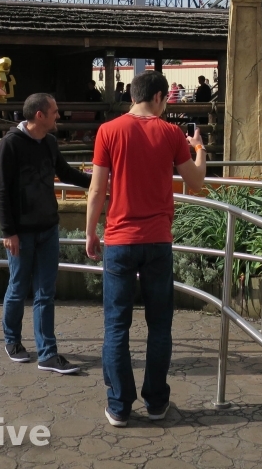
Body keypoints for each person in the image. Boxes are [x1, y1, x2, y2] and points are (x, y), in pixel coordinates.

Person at [86, 71, 207, 427]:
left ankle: (119, 406)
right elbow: (196, 181)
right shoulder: (170, 133)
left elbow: (96, 191)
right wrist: (198, 147)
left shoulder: (108, 131)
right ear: (157, 97)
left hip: (120, 240)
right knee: (159, 326)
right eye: (166, 99)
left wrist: (92, 232)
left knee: (116, 326)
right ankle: (156, 402)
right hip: (158, 240)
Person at [0, 93, 92, 375]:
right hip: (21, 233)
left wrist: (97, 182)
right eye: (55, 112)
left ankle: (47, 353)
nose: (58, 116)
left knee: (45, 293)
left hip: (48, 228)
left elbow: (66, 173)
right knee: (18, 287)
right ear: (40, 115)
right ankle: (12, 340)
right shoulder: (10, 145)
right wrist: (8, 231)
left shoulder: (49, 143)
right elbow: (0, 190)